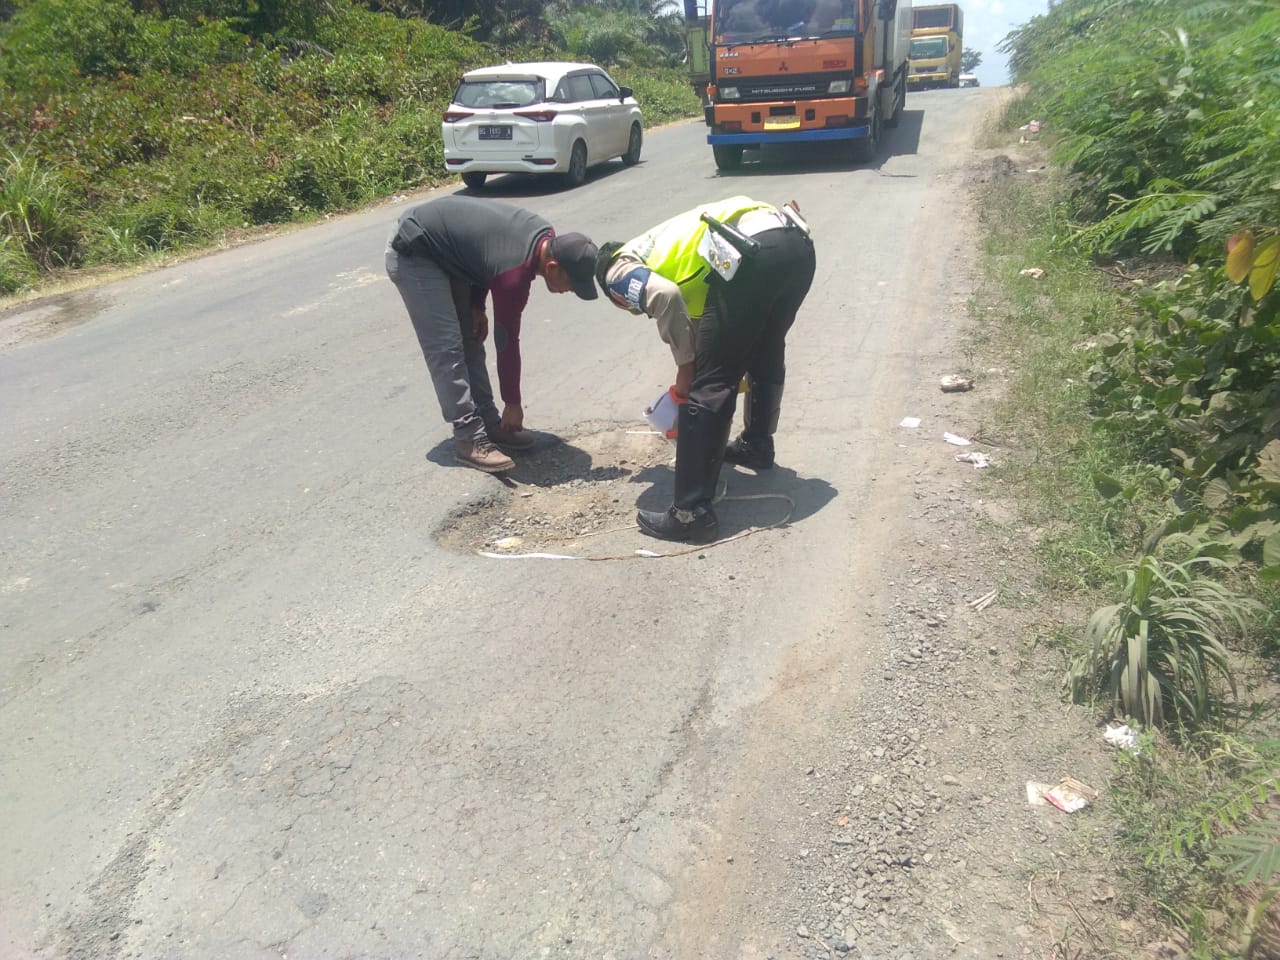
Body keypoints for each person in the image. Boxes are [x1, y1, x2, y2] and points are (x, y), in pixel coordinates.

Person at [594, 195, 816, 541]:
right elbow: (713, 333)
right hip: (795, 243)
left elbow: (663, 296)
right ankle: (757, 445)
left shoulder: (617, 270)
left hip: (749, 253)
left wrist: (686, 371)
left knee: (710, 384)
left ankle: (690, 514)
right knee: (765, 348)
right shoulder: (675, 257)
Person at [385, 195, 598, 473]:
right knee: (447, 348)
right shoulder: (515, 276)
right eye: (572, 283)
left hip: (449, 253)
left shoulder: (545, 238)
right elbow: (506, 342)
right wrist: (513, 403)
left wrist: (476, 305)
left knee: (471, 338)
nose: (571, 290)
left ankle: (487, 422)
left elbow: (484, 256)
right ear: (552, 267)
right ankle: (468, 438)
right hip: (415, 250)